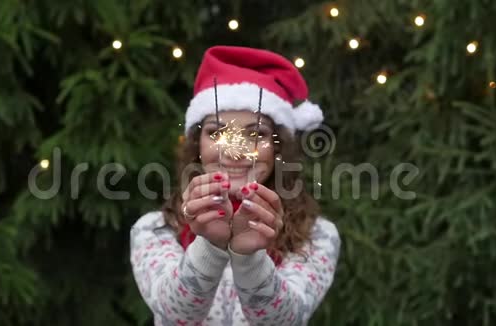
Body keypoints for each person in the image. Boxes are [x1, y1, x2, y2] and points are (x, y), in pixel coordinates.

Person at [130, 45, 341, 325]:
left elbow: (284, 320)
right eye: (217, 132)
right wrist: (209, 246)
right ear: (197, 144)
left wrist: (249, 258)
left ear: (280, 149)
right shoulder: (156, 228)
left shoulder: (317, 235)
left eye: (256, 134)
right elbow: (177, 315)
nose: (234, 152)